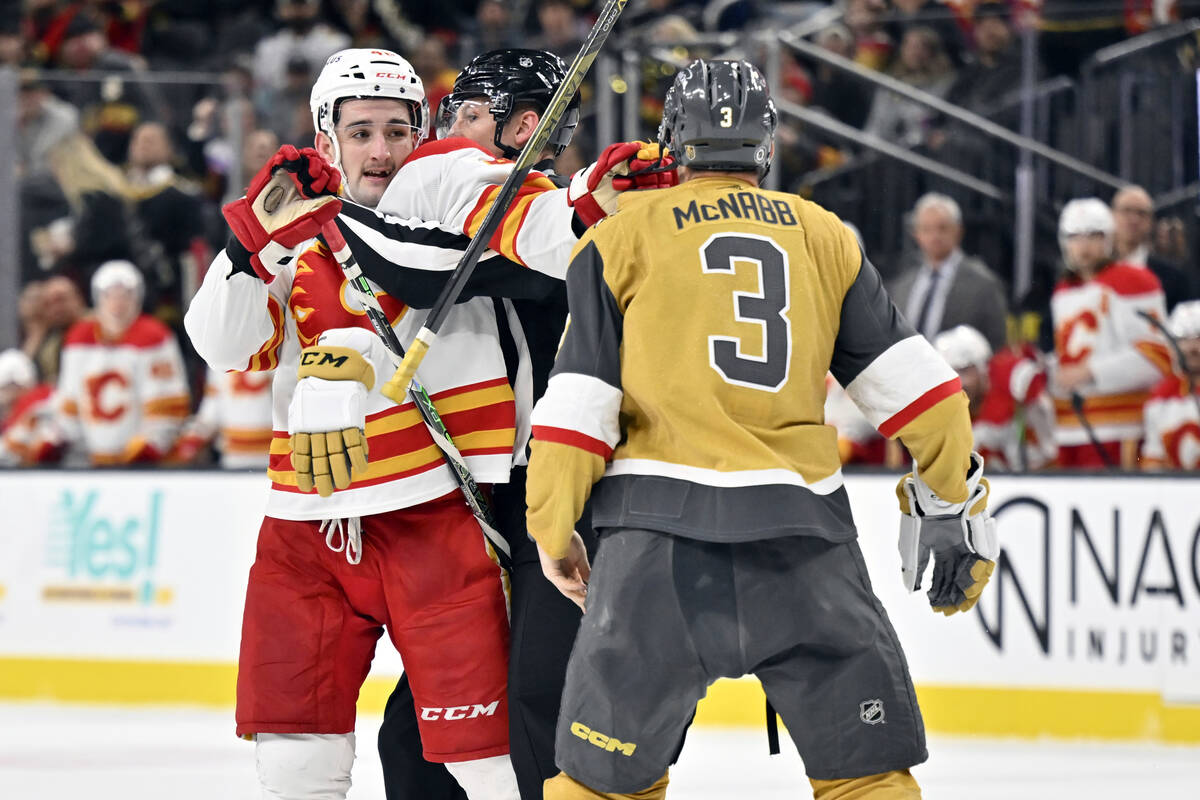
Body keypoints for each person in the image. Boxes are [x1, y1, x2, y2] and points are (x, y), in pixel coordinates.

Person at [185, 47, 661, 800]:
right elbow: (220, 344)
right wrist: (252, 243)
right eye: (362, 131)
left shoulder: (436, 179)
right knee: (303, 760)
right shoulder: (294, 223)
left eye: (397, 130)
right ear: (325, 135)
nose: (381, 150)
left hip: (434, 518)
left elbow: (530, 221)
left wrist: (581, 206)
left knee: (481, 753)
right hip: (309, 523)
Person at [524, 58, 998, 800]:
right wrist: (949, 495)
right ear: (766, 143)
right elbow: (922, 391)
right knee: (868, 779)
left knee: (601, 785)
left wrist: (553, 531)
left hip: (657, 550)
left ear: (672, 143)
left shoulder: (620, 236)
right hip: (805, 543)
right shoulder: (823, 234)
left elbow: (577, 408)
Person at [1050, 198, 1171, 469]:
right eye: (1074, 236)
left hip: (1122, 428)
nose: (1083, 245)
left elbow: (1158, 357)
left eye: (1094, 235)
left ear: (1110, 238)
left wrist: (1090, 371)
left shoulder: (1134, 280)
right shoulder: (1063, 290)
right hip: (1069, 428)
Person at [43, 260, 190, 465]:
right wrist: (57, 438)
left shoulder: (154, 336)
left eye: (125, 295)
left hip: (142, 465)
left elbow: (167, 403)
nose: (117, 303)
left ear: (138, 297)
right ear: (97, 297)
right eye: (109, 295)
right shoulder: (79, 337)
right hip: (90, 460)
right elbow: (69, 401)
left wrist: (150, 444)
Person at [887, 192, 1009, 352]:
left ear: (958, 230)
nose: (934, 236)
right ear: (916, 234)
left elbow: (997, 343)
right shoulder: (901, 286)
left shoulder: (984, 285)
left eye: (942, 228)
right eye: (926, 229)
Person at [934, 324, 1056, 471]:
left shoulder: (1006, 376)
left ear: (983, 368)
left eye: (963, 371)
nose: (956, 383)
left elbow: (1043, 376)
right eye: (946, 375)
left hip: (1051, 472)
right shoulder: (943, 406)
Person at [1111, 185, 1195, 312]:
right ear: (1112, 215)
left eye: (1141, 213)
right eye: (1126, 211)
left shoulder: (1174, 278)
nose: (1134, 219)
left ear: (1151, 222)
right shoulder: (1093, 271)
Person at [1142, 300, 1200, 470]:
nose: (1192, 348)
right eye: (1183, 339)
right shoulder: (1160, 398)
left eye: (1198, 339)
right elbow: (1153, 459)